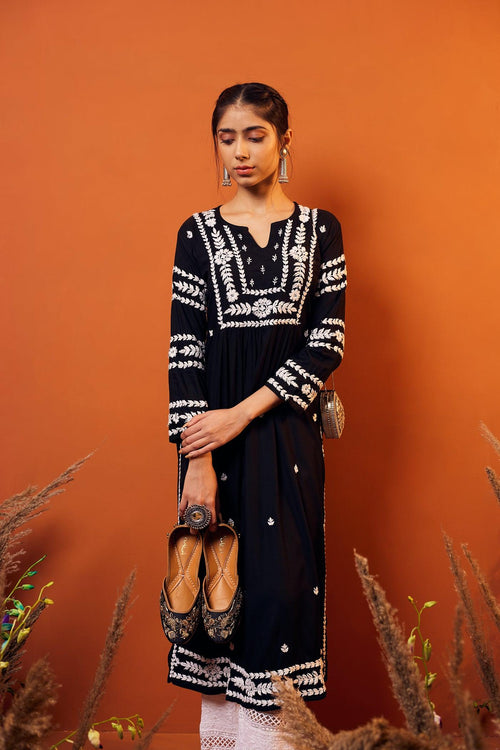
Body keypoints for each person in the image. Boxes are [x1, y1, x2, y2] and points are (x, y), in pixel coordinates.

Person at [166, 82, 346, 749]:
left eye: (255, 135)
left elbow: (325, 344)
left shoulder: (321, 230)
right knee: (220, 605)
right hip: (212, 452)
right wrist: (199, 462)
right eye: (227, 138)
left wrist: (239, 415)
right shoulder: (197, 234)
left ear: (284, 141)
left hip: (287, 444)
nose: (240, 151)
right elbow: (185, 354)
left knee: (281, 599)